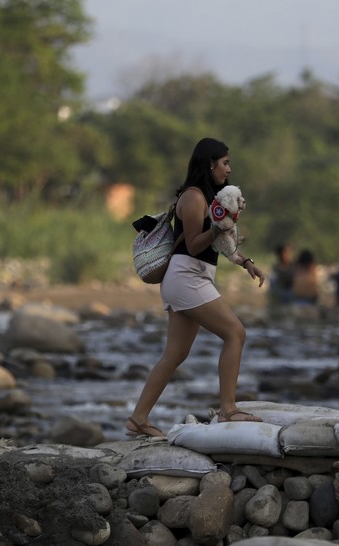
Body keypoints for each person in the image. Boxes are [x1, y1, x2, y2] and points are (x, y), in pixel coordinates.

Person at [126, 137, 267, 438]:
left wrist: (246, 262)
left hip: (192, 276)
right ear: (210, 163)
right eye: (225, 163)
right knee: (235, 333)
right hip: (187, 276)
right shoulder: (193, 198)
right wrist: (217, 227)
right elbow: (193, 244)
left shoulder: (209, 198)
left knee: (175, 354)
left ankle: (138, 418)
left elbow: (219, 244)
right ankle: (228, 409)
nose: (229, 170)